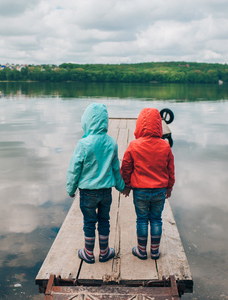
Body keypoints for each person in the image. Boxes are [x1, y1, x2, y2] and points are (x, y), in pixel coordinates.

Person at [66, 103, 127, 264]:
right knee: (104, 221)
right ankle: (105, 252)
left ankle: (88, 253)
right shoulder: (111, 143)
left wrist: (71, 188)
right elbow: (116, 168)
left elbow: (74, 169)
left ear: (86, 122)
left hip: (87, 193)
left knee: (89, 222)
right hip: (106, 192)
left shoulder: (83, 144)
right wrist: (121, 186)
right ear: (105, 122)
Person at [121, 108, 175, 260]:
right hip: (159, 190)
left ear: (139, 125)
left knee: (142, 220)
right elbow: (170, 169)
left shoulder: (134, 145)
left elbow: (126, 167)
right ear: (159, 125)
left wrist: (126, 185)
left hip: (140, 191)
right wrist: (169, 187)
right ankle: (155, 251)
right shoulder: (165, 146)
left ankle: (141, 250)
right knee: (156, 219)